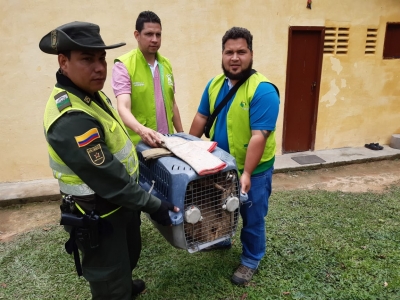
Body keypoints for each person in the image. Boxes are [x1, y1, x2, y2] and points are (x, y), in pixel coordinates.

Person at [39, 21, 179, 299]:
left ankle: (123, 284)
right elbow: (109, 177)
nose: (99, 67)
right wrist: (154, 205)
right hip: (98, 213)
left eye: (101, 58)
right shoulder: (71, 116)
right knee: (108, 276)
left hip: (120, 206)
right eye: (87, 59)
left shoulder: (90, 95)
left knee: (127, 254)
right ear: (63, 62)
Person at [189, 27, 280, 286]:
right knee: (221, 205)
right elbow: (201, 117)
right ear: (222, 54)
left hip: (255, 169)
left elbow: (258, 136)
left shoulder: (263, 90)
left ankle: (251, 259)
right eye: (229, 52)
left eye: (241, 51)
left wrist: (248, 173)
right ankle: (222, 238)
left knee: (252, 215)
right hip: (220, 166)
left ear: (251, 54)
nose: (235, 57)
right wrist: (190, 152)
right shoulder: (215, 84)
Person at [112, 10, 183, 148]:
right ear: (137, 35)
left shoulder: (166, 64)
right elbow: (123, 107)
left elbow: (172, 104)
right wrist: (142, 131)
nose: (155, 39)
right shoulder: (123, 65)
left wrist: (182, 135)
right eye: (149, 34)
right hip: (140, 146)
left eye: (158, 34)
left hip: (168, 144)